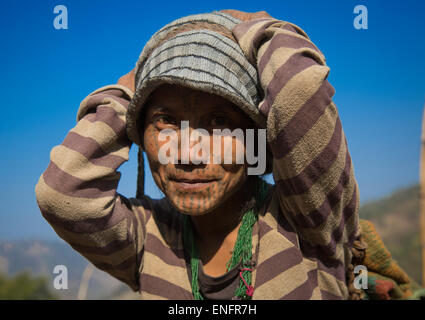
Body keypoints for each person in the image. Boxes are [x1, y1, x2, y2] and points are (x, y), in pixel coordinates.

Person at [35, 9, 420, 300]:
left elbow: (298, 90)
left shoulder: (307, 221)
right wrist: (127, 93)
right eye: (165, 121)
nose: (188, 154)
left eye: (220, 122)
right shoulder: (148, 237)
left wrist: (249, 24)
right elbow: (63, 193)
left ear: (258, 139)